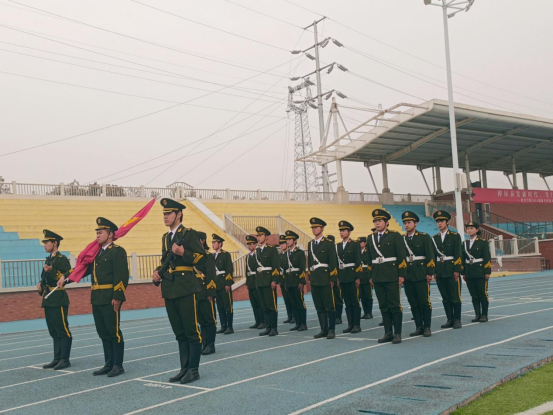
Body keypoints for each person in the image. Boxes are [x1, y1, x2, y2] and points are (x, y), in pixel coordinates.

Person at [64, 217, 129, 377]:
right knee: (102, 331)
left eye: (101, 232)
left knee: (113, 331)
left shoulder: (117, 251)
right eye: (97, 232)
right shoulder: (96, 253)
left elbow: (121, 275)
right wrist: (65, 278)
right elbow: (83, 269)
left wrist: (117, 296)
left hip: (110, 297)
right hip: (97, 297)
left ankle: (118, 365)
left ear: (110, 234)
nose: (98, 235)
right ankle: (108, 363)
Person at [152, 199, 205, 384]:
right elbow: (164, 260)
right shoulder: (165, 237)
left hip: (185, 287)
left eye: (169, 213)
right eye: (164, 214)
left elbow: (202, 259)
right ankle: (184, 368)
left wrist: (184, 253)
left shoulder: (188, 234)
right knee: (179, 332)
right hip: (169, 288)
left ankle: (193, 370)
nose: (165, 216)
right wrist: (157, 271)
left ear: (179, 214)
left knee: (191, 330)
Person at [365, 210, 407, 344]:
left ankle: (397, 333)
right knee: (383, 305)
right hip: (377, 276)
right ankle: (388, 333)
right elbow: (369, 259)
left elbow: (401, 256)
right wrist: (371, 276)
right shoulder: (370, 238)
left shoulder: (395, 236)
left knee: (394, 305)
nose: (377, 223)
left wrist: (401, 275)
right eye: (375, 221)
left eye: (380, 221)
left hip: (391, 275)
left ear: (386, 222)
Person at [38, 230, 72, 370]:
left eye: (47, 242)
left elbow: (67, 278)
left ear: (55, 243)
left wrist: (51, 271)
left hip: (58, 297)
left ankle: (65, 359)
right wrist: (40, 285)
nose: (45, 244)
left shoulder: (61, 259)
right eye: (44, 242)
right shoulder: (49, 259)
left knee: (62, 329)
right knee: (53, 330)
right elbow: (45, 278)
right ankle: (57, 358)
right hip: (48, 298)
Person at [401, 211, 435, 338]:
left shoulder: (424, 237)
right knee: (413, 303)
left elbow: (430, 255)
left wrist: (430, 272)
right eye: (405, 223)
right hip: (408, 275)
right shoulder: (402, 239)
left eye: (409, 222)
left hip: (421, 274)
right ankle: (418, 326)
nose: (406, 225)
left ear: (415, 223)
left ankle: (427, 327)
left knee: (424, 302)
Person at [308, 218, 338, 339]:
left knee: (329, 306)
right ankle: (323, 329)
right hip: (315, 279)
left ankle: (331, 330)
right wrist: (310, 278)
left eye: (316, 227)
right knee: (319, 306)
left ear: (322, 228)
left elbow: (333, 261)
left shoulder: (328, 243)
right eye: (312, 227)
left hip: (325, 278)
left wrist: (332, 278)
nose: (314, 229)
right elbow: (310, 262)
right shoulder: (310, 244)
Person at [432, 210, 463, 329]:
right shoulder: (434, 238)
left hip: (451, 270)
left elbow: (458, 253)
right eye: (437, 222)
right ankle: (449, 319)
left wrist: (457, 270)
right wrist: (434, 271)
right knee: (445, 297)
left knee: (455, 296)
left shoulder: (455, 236)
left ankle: (457, 320)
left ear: (447, 222)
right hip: (440, 270)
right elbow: (433, 256)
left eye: (441, 221)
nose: (439, 223)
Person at [461, 221, 492, 323]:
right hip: (469, 272)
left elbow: (487, 258)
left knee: (482, 294)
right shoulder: (464, 243)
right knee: (474, 295)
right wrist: (463, 272)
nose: (469, 230)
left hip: (480, 271)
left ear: (477, 230)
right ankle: (477, 314)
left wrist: (487, 271)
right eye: (468, 228)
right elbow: (463, 259)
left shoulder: (483, 242)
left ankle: (484, 315)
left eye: (471, 228)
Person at [336, 221, 363, 334]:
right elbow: (337, 263)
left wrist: (358, 277)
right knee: (347, 302)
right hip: (343, 276)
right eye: (340, 231)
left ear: (349, 232)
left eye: (344, 231)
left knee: (354, 301)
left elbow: (358, 261)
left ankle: (357, 325)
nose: (342, 233)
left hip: (352, 276)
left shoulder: (354, 244)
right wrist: (338, 278)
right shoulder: (338, 246)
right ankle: (350, 324)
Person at [254, 226, 280, 336]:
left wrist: (274, 280)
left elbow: (275, 266)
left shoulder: (272, 249)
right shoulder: (257, 251)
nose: (259, 237)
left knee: (271, 305)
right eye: (258, 236)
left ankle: (274, 328)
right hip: (260, 281)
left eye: (261, 235)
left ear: (266, 237)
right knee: (264, 306)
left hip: (269, 281)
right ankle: (268, 327)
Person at [196, 231, 217, 355]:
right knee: (201, 321)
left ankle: (211, 345)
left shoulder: (208, 256)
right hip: (196, 291)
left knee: (209, 319)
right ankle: (204, 343)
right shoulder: (193, 256)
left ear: (203, 241)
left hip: (205, 291)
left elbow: (211, 275)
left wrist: (211, 292)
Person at [284, 230, 308, 331]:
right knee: (293, 303)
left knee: (300, 303)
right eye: (287, 239)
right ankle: (298, 323)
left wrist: (301, 282)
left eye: (289, 239)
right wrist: (285, 282)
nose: (287, 241)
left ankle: (303, 323)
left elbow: (302, 268)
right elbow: (285, 270)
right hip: (289, 281)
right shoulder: (286, 254)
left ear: (294, 240)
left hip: (297, 281)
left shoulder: (300, 253)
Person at [212, 234, 234, 335]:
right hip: (217, 285)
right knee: (220, 307)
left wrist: (228, 283)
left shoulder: (225, 255)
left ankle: (230, 327)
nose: (213, 244)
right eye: (212, 242)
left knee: (227, 306)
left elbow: (229, 269)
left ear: (220, 244)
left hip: (224, 283)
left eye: (215, 242)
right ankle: (223, 326)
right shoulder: (212, 256)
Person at [244, 234, 265, 329]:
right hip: (251, 282)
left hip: (257, 280)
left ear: (256, 244)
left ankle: (263, 321)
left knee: (260, 303)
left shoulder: (258, 254)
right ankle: (257, 321)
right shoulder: (248, 256)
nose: (250, 246)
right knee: (254, 304)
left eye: (251, 244)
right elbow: (246, 270)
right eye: (248, 244)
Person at [326, 234, 343, 325]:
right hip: (327, 278)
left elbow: (338, 265)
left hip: (336, 277)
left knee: (337, 298)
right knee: (328, 299)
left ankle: (338, 317)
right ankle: (331, 315)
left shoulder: (336, 250)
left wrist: (338, 278)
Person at [279, 235, 294, 324]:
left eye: (283, 243)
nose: (281, 245)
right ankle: (289, 316)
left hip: (288, 280)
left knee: (292, 300)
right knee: (286, 300)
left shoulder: (289, 254)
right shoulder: (280, 255)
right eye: (280, 244)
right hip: (282, 280)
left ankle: (294, 316)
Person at [357, 237, 374, 320]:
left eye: (361, 242)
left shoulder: (368, 251)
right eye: (358, 242)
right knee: (362, 296)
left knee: (368, 296)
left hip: (367, 275)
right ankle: (365, 312)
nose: (359, 244)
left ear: (365, 243)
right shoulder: (357, 251)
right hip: (360, 276)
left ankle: (369, 312)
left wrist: (371, 276)